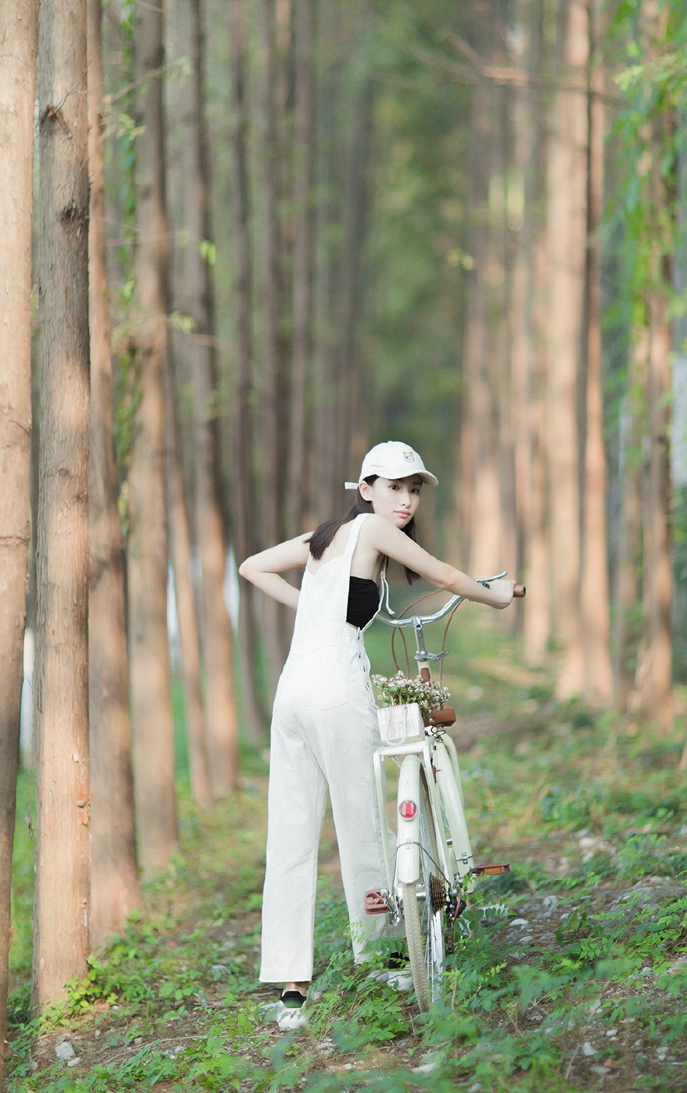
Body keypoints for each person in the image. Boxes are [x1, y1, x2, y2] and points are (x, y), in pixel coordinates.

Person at [239, 440, 516, 1028]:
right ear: (365, 489)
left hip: (291, 692)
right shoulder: (369, 531)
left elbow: (252, 566)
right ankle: (379, 954)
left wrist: (310, 609)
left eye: (414, 489)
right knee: (361, 822)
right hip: (337, 685)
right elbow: (441, 573)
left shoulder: (324, 537)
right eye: (394, 487)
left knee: (289, 835)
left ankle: (291, 986)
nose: (406, 500)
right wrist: (495, 595)